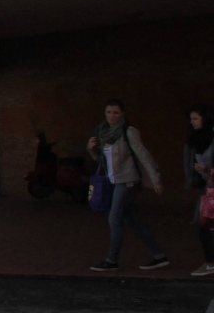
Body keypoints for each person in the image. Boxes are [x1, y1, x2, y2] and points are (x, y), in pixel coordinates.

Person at [88, 99, 169, 272]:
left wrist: (155, 179)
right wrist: (92, 149)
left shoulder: (128, 131)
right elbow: (102, 160)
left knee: (114, 216)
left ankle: (112, 260)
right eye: (109, 112)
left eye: (115, 112)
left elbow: (143, 155)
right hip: (113, 180)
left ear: (122, 114)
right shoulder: (102, 132)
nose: (112, 116)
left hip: (128, 180)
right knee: (132, 219)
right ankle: (159, 255)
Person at [186, 105, 214, 278]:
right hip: (207, 187)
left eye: (196, 118)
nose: (193, 122)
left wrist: (207, 168)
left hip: (211, 186)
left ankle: (210, 262)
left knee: (200, 222)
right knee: (202, 222)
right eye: (191, 119)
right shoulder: (195, 139)